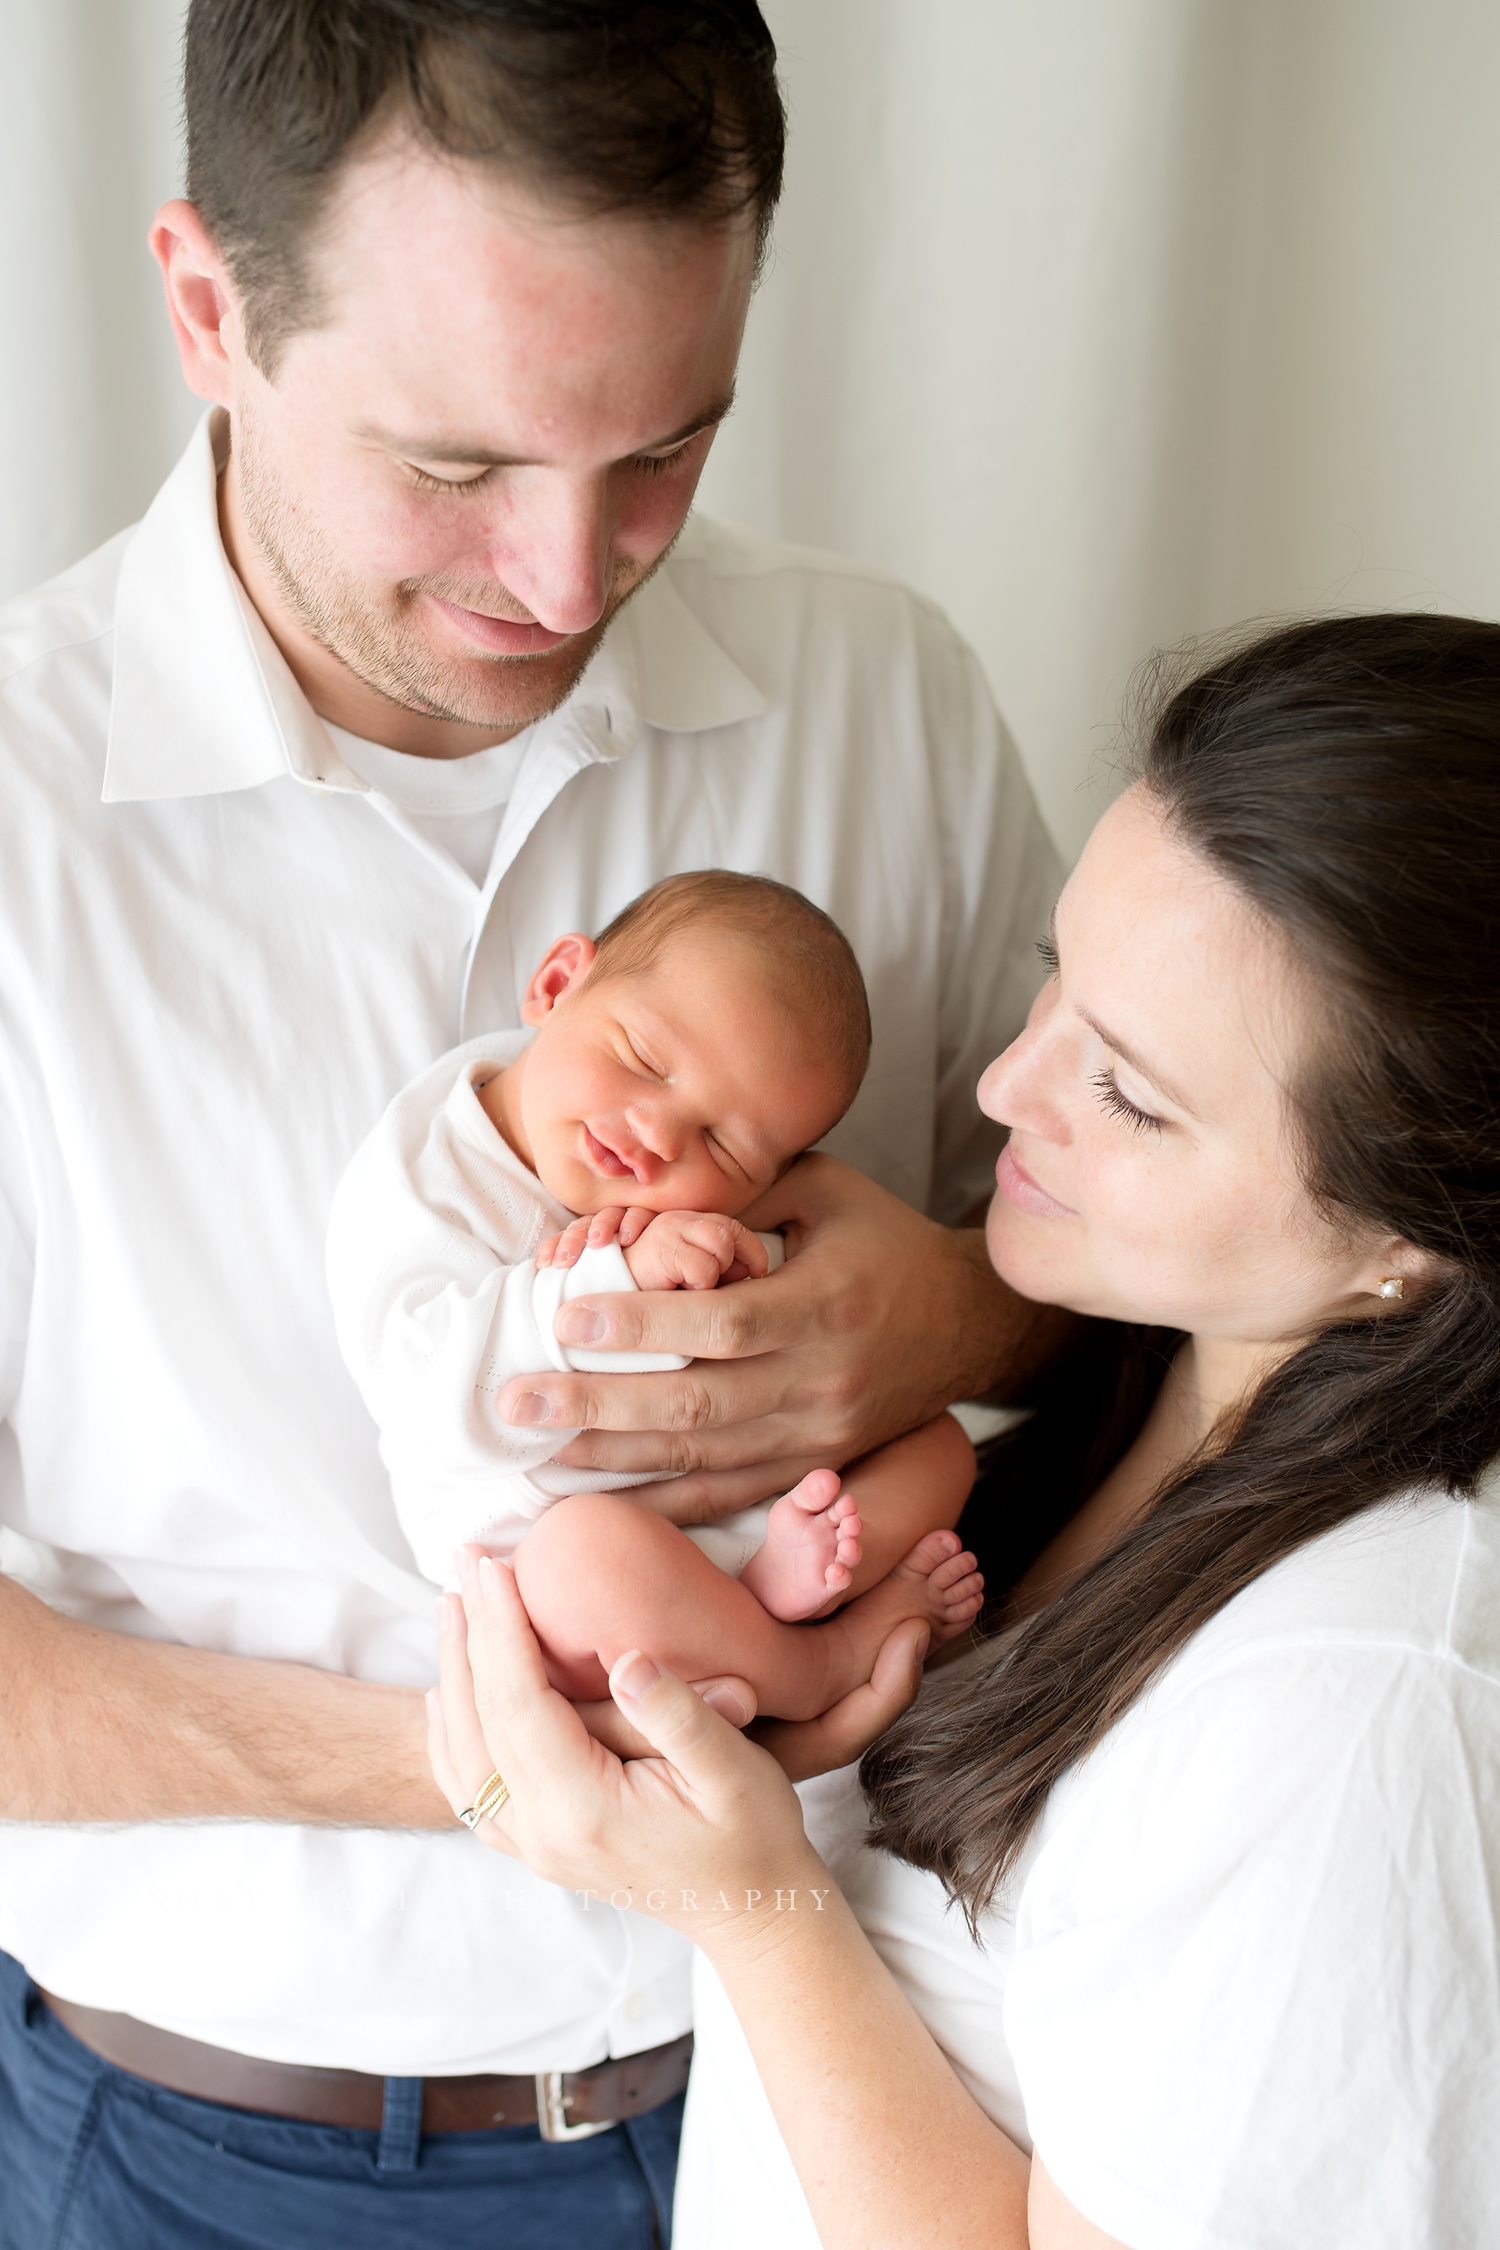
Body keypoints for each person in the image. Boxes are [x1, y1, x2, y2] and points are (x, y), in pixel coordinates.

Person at [0, 3, 1064, 2242]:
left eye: (667, 449)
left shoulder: (889, 692)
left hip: (858, 2079)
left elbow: (1158, 1328)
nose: (573, 582)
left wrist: (951, 1307)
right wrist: (552, 1747)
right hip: (228, 2158)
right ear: (209, 308)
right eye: (460, 467)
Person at [431, 614, 1500, 2250]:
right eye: (1061, 971)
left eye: (1131, 1093)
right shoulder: (1151, 1400)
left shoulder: (1361, 1707)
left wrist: (756, 1909)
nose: (1003, 1085)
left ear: (1414, 1229)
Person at [327, 867, 983, 1698]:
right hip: (557, 1553)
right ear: (557, 985)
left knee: (940, 1443)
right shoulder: (425, 1176)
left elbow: (790, 1326)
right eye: (641, 1059)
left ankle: (779, 1589)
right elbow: (426, 1392)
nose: (658, 1135)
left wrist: (743, 1267)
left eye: (725, 1148)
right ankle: (811, 1665)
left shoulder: (700, 1212)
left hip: (753, 1500)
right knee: (586, 1562)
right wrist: (613, 1278)